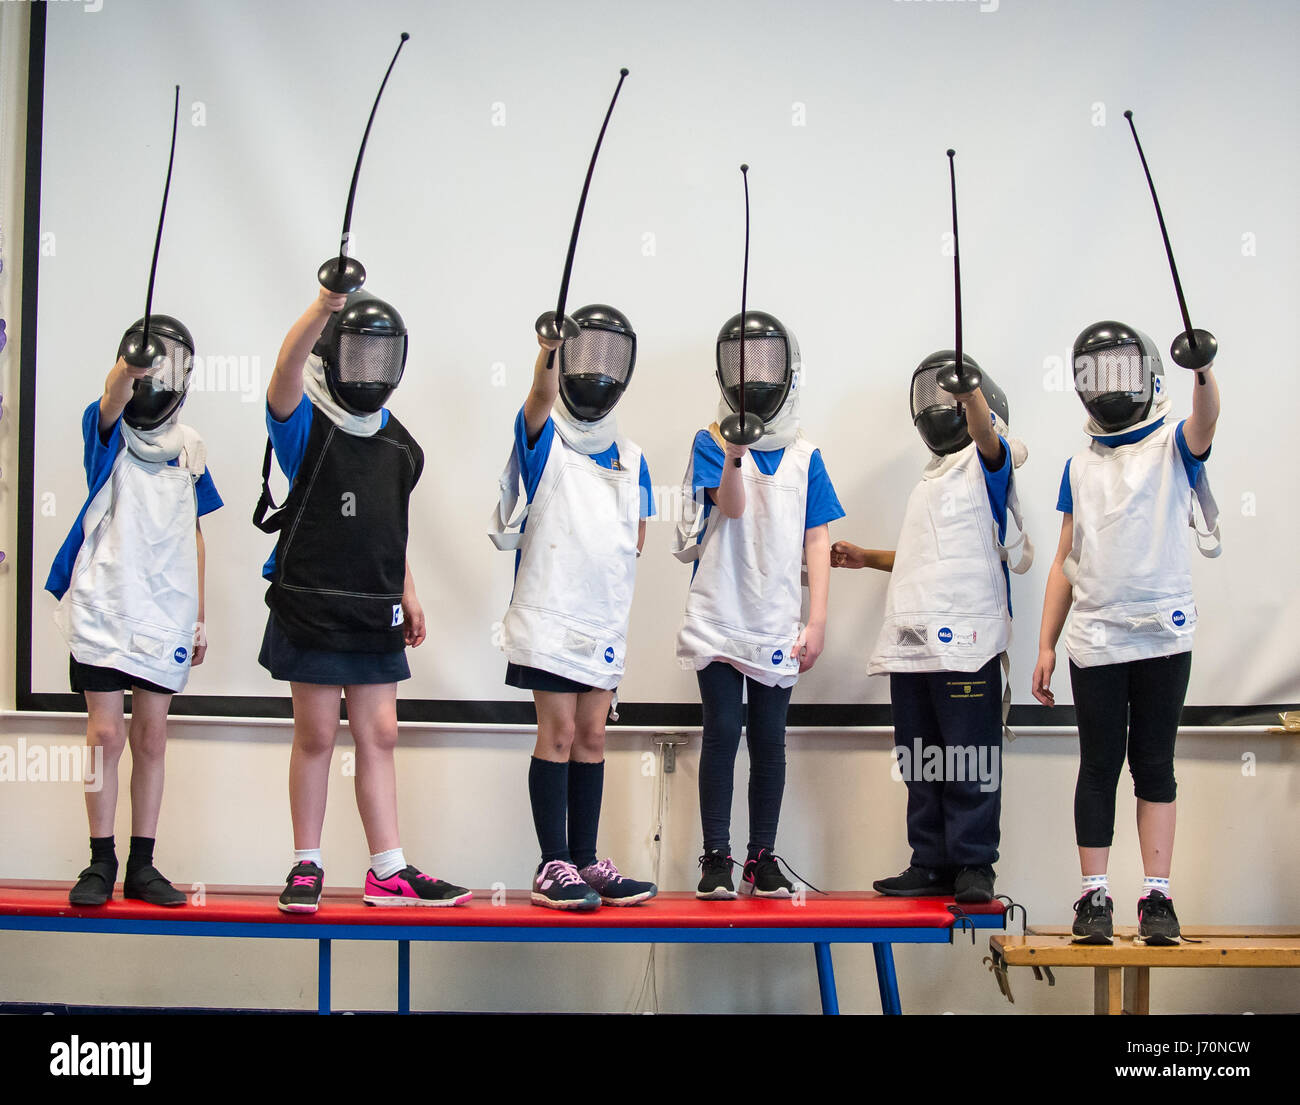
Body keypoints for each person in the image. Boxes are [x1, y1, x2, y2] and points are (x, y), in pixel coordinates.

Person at [257, 282, 470, 912]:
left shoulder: (402, 447)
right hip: (313, 606)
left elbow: (385, 525)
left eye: (383, 356)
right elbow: (282, 371)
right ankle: (306, 865)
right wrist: (322, 307)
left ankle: (388, 870)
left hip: (376, 607)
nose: (370, 369)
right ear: (332, 353)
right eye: (358, 353)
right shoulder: (305, 426)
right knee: (317, 734)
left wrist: (411, 592)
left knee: (380, 732)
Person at [1032, 322, 1220, 946]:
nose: (1109, 385)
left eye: (1120, 370)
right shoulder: (1079, 466)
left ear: (1145, 376)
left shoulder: (1173, 444)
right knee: (1098, 765)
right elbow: (1065, 558)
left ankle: (1157, 899)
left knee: (1155, 763)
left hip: (1163, 633)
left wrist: (1203, 370)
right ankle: (1094, 898)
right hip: (1096, 639)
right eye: (1096, 372)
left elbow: (1207, 421)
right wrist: (1044, 643)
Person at [832, 353, 1031, 904]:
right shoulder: (932, 479)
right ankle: (930, 861)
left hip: (967, 645)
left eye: (957, 401)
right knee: (919, 757)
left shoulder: (992, 462)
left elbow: (986, 436)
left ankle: (973, 866)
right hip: (914, 643)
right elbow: (928, 561)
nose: (940, 410)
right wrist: (866, 557)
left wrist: (971, 400)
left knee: (968, 755)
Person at [47, 317, 220, 907]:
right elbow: (113, 394)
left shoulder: (191, 448)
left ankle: (143, 863)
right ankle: (99, 859)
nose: (157, 378)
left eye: (169, 365)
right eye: (152, 363)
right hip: (104, 607)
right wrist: (128, 366)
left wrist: (199, 614)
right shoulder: (107, 431)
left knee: (151, 737)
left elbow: (194, 533)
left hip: (165, 610)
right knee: (104, 735)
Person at [491, 305, 657, 910]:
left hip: (602, 617)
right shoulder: (543, 437)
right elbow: (536, 398)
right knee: (557, 732)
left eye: (611, 356)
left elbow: (633, 538)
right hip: (549, 614)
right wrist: (546, 351)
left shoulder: (633, 456)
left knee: (592, 735)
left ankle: (586, 862)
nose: (598, 369)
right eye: (586, 354)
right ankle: (551, 865)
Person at [675, 311, 843, 899]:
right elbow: (733, 506)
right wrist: (734, 451)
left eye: (769, 361)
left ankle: (762, 858)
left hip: (775, 617)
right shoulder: (709, 440)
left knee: (770, 739)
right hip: (720, 612)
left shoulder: (807, 454)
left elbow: (817, 538)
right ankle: (716, 858)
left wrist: (816, 621)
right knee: (722, 729)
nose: (757, 375)